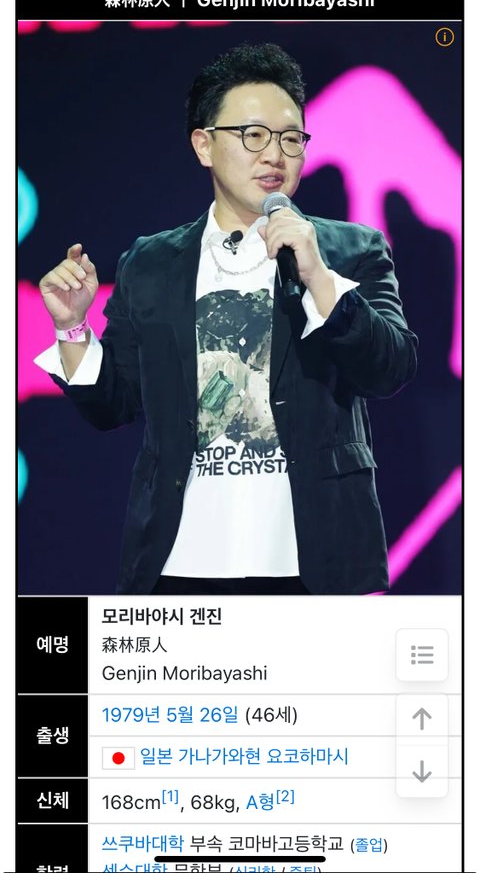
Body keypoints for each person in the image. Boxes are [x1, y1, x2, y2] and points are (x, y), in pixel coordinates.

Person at [35, 42, 417, 596]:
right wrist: (73, 327)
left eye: (291, 138)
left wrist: (319, 277)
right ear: (204, 145)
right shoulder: (152, 262)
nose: (275, 155)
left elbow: (391, 369)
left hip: (313, 561)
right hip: (180, 560)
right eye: (254, 135)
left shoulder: (351, 249)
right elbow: (114, 405)